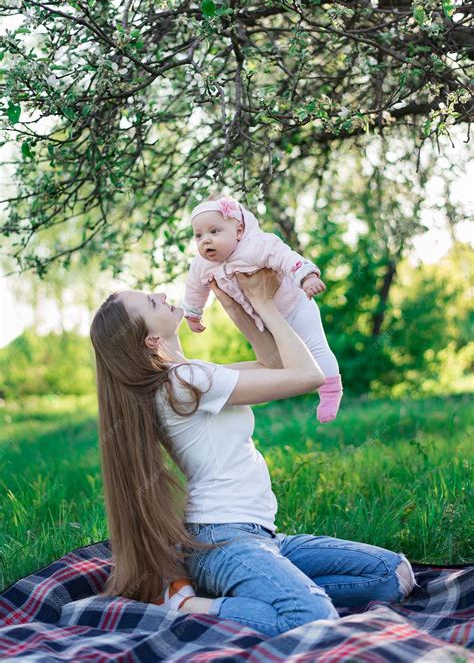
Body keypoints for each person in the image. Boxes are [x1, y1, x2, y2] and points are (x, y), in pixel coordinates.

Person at [89, 267, 417, 637]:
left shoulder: (187, 377)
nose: (163, 296)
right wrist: (265, 303)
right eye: (151, 301)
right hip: (223, 538)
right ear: (150, 340)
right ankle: (192, 606)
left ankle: (269, 595)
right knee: (310, 615)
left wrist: (235, 302)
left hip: (260, 536)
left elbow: (272, 364)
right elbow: (308, 376)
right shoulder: (186, 382)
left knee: (394, 574)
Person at [181, 194, 342, 423]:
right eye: (198, 235)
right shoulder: (202, 265)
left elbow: (286, 258)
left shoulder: (257, 245)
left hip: (295, 306)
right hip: (265, 320)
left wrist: (307, 278)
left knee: (316, 346)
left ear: (238, 231)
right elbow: (195, 288)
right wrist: (193, 313)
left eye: (214, 232)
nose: (205, 240)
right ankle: (294, 394)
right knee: (279, 363)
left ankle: (330, 391)